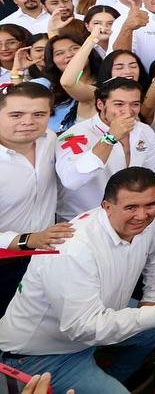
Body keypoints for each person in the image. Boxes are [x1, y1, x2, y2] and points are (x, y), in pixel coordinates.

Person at [0, 167, 155, 394]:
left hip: (98, 320)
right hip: (43, 356)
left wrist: (151, 302)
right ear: (106, 206)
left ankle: (115, 376)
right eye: (131, 207)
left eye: (150, 205)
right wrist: (152, 315)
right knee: (153, 322)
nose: (142, 216)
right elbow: (81, 328)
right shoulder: (73, 248)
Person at [0, 83, 72, 313]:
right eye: (16, 115)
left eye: (39, 114)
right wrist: (29, 240)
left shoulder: (49, 139)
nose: (28, 122)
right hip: (5, 262)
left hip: (45, 255)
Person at [55, 78, 155, 221]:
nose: (128, 111)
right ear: (100, 104)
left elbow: (153, 177)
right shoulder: (75, 135)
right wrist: (110, 137)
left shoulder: (144, 131)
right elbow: (71, 180)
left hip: (132, 219)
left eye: (135, 104)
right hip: (82, 221)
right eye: (119, 104)